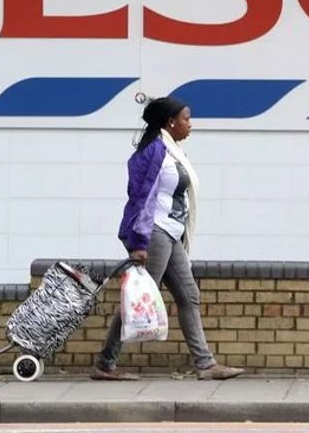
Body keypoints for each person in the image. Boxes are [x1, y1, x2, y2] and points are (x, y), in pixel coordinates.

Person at [91, 97, 244, 381]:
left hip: (170, 233)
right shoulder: (153, 153)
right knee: (141, 296)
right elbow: (139, 197)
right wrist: (138, 243)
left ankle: (206, 365)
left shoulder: (173, 151)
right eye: (186, 118)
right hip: (154, 233)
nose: (190, 124)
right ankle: (105, 364)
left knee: (189, 296)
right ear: (170, 122)